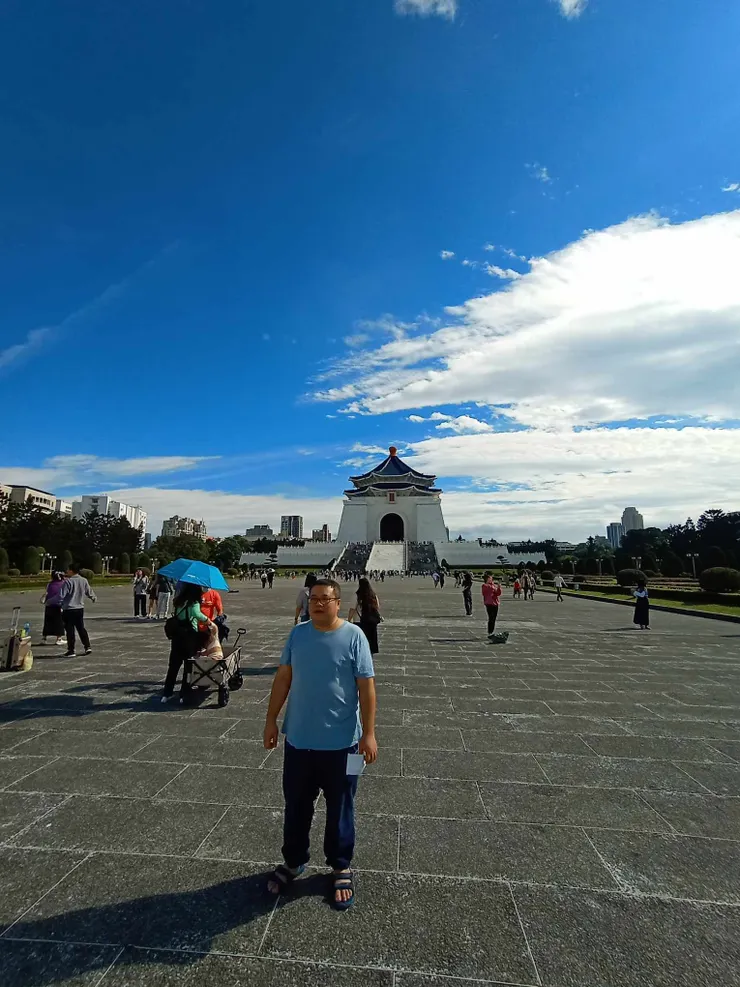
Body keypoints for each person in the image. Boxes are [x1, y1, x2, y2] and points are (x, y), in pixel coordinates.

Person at [263, 578, 377, 910]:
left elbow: (366, 688)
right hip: (299, 740)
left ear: (338, 603)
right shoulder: (298, 634)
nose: (317, 603)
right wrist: (271, 719)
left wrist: (369, 733)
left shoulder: (354, 636)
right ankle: (295, 861)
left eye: (325, 599)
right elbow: (283, 676)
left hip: (345, 744)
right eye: (313, 598)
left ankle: (341, 865)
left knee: (342, 806)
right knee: (296, 805)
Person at [161, 582, 217, 702]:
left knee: (173, 666)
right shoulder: (194, 603)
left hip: (177, 636)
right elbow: (197, 615)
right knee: (188, 666)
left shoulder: (178, 601)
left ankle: (166, 694)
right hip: (189, 636)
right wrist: (209, 622)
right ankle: (184, 694)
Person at [60, 563, 96, 657]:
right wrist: (93, 597)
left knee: (70, 630)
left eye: (68, 570)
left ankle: (71, 650)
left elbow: (61, 595)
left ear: (71, 571)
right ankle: (87, 646)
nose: (67, 571)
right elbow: (89, 591)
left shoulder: (68, 582)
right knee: (81, 628)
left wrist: (57, 603)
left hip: (69, 609)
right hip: (79, 608)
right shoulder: (84, 580)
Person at [348, 576, 381, 655]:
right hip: (372, 622)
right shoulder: (373, 595)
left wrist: (349, 619)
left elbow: (352, 609)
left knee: (361, 641)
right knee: (371, 642)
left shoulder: (357, 595)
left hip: (361, 621)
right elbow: (377, 606)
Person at [40, 571, 66, 646]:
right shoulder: (63, 584)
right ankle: (59, 639)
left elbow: (47, 593)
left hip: (48, 605)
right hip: (58, 606)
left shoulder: (49, 584)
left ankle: (44, 638)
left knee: (47, 622)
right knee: (59, 622)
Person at [481, 571, 502, 636]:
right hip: (489, 603)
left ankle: (491, 631)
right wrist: (491, 585)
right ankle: (490, 631)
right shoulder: (484, 585)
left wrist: (499, 587)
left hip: (495, 603)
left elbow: (498, 593)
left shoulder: (493, 585)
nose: (491, 579)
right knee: (491, 618)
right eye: (490, 578)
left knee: (494, 618)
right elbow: (486, 592)